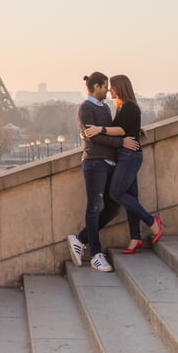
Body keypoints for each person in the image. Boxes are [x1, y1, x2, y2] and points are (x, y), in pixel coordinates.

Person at [67, 72, 140, 273]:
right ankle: (96, 254)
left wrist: (134, 131)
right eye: (105, 86)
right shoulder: (86, 108)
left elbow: (113, 129)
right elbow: (92, 137)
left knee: (114, 207)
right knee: (94, 207)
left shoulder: (105, 108)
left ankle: (81, 239)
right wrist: (121, 142)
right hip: (94, 162)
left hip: (109, 162)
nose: (108, 89)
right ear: (96, 86)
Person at [85, 73, 163, 253]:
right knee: (130, 197)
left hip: (130, 156)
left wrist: (100, 129)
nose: (109, 89)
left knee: (115, 192)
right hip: (124, 155)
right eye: (107, 86)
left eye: (112, 86)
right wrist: (137, 129)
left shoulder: (129, 106)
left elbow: (121, 130)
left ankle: (151, 222)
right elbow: (128, 127)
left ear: (120, 87)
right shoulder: (122, 107)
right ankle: (135, 237)